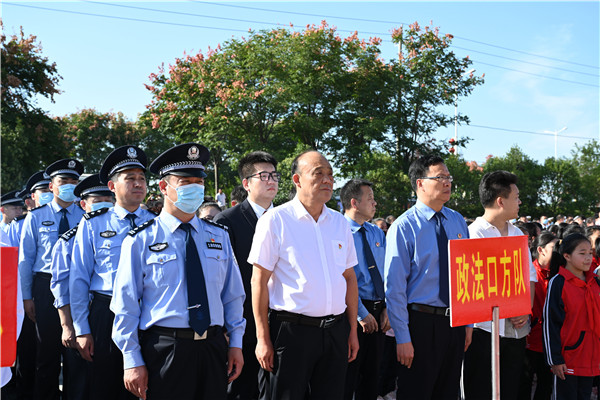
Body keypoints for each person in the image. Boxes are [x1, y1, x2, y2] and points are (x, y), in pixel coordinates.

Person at [111, 143, 246, 400]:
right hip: (166, 349)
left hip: (213, 346)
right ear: (164, 187)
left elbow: (233, 295)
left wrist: (236, 343)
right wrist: (131, 359)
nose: (194, 188)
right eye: (185, 182)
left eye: (198, 181)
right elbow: (125, 305)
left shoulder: (218, 236)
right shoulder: (140, 239)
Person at [249, 150, 359, 400]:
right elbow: (259, 281)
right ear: (297, 180)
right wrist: (262, 337)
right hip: (291, 332)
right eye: (318, 173)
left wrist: (351, 331)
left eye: (330, 174)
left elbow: (350, 278)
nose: (327, 180)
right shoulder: (275, 220)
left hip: (335, 331)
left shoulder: (339, 223)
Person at [67, 146, 154, 400]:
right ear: (112, 186)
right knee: (104, 387)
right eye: (130, 179)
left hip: (146, 312)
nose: (138, 184)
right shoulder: (94, 223)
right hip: (106, 314)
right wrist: (82, 329)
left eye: (141, 178)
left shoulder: (156, 222)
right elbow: (79, 278)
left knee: (144, 387)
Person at [384, 154, 470, 400]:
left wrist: (468, 324)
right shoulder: (404, 227)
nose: (448, 183)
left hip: (454, 323)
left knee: (448, 391)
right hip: (420, 323)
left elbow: (465, 275)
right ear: (420, 183)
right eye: (440, 177)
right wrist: (402, 337)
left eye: (448, 177)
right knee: (417, 392)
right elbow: (395, 288)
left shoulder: (457, 221)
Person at [463, 170, 537, 400]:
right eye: (516, 197)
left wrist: (524, 308)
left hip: (515, 330)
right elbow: (475, 280)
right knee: (480, 389)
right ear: (500, 201)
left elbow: (529, 277)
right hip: (482, 329)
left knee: (509, 390)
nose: (520, 202)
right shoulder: (472, 234)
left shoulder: (517, 234)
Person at [214, 151, 280, 400]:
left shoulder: (286, 219)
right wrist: (227, 325)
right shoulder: (227, 221)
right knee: (243, 389)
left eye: (275, 175)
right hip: (243, 322)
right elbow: (221, 277)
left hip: (282, 322)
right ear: (246, 183)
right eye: (263, 175)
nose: (271, 180)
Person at [19, 158, 85, 400]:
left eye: (73, 182)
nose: (69, 185)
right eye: (63, 181)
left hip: (76, 286)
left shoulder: (86, 216)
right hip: (44, 287)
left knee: (77, 353)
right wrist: (27, 298)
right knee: (46, 354)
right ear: (51, 186)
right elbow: (25, 261)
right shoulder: (35, 217)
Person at [49, 173, 115, 400]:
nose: (104, 206)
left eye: (109, 199)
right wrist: (67, 325)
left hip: (106, 320)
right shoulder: (68, 240)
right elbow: (60, 285)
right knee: (79, 383)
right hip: (81, 324)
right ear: (84, 205)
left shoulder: (122, 236)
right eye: (97, 202)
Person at [340, 179, 389, 400]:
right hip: (351, 312)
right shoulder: (338, 231)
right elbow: (341, 278)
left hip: (379, 312)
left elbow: (387, 272)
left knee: (372, 377)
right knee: (347, 376)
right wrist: (361, 313)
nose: (375, 203)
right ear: (354, 202)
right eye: (370, 198)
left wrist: (387, 307)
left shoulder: (376, 232)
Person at [10, 170, 51, 400]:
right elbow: (22, 262)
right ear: (31, 198)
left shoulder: (78, 216)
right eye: (42, 191)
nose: (48, 193)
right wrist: (26, 297)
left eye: (49, 188)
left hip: (68, 288)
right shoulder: (23, 223)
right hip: (34, 288)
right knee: (34, 350)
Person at [543, 233, 600, 400]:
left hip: (591, 358)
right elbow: (550, 324)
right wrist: (554, 359)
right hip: (567, 361)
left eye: (590, 253)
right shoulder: (558, 282)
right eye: (582, 254)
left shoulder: (595, 282)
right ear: (566, 256)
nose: (588, 258)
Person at [519, 232, 558, 400]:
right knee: (524, 383)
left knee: (545, 384)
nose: (558, 250)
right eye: (554, 247)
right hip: (529, 336)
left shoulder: (559, 274)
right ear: (541, 249)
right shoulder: (529, 272)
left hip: (550, 340)